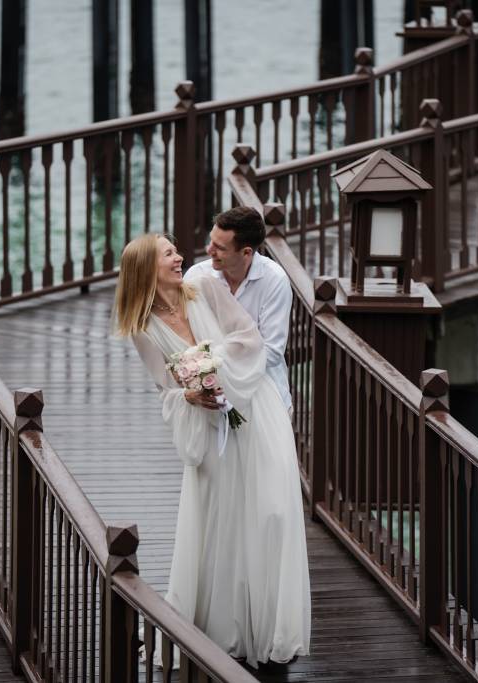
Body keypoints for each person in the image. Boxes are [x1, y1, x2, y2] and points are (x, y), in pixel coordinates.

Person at [113, 232, 311, 667]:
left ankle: (270, 625)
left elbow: (249, 338)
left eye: (175, 251)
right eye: (169, 253)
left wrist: (215, 364)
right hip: (208, 425)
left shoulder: (204, 288)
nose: (179, 257)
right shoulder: (143, 329)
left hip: (255, 408)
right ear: (147, 268)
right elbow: (164, 389)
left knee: (272, 511)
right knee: (223, 520)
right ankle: (223, 627)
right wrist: (190, 392)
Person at [185, 206, 293, 411]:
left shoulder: (274, 280)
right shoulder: (195, 276)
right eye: (211, 241)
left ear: (246, 252)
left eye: (220, 248)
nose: (209, 250)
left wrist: (214, 366)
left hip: (265, 397)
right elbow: (186, 336)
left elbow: (272, 352)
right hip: (210, 401)